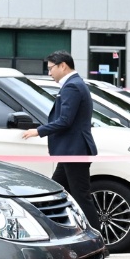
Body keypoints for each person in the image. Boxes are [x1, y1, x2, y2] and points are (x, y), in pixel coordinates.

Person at [23, 52, 99, 228]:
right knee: (55, 191)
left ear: (62, 66)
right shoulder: (74, 84)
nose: (49, 73)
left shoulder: (72, 86)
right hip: (70, 151)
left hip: (74, 151)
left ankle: (98, 241)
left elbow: (65, 120)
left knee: (80, 196)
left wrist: (39, 131)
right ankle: (52, 230)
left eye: (51, 68)